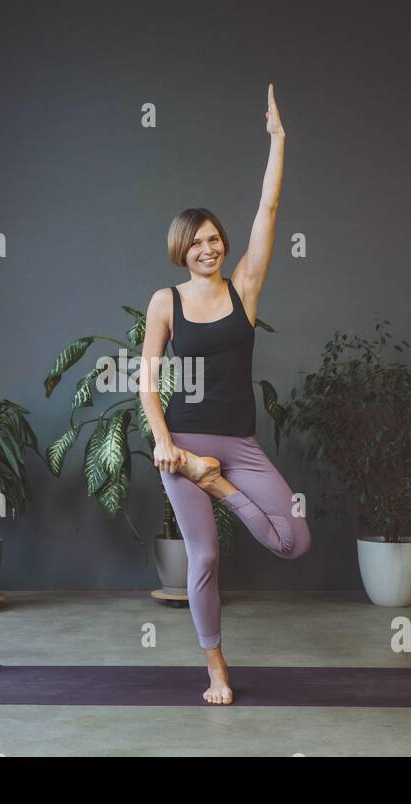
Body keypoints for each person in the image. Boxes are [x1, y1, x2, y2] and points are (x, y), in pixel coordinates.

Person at [138, 83, 310, 705]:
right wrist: (164, 445)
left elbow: (266, 212)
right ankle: (216, 669)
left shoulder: (245, 291)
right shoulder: (167, 302)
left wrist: (277, 141)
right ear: (181, 250)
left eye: (214, 238)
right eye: (197, 241)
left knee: (293, 538)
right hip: (183, 446)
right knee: (204, 559)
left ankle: (220, 486)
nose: (208, 247)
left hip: (236, 448)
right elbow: (147, 380)